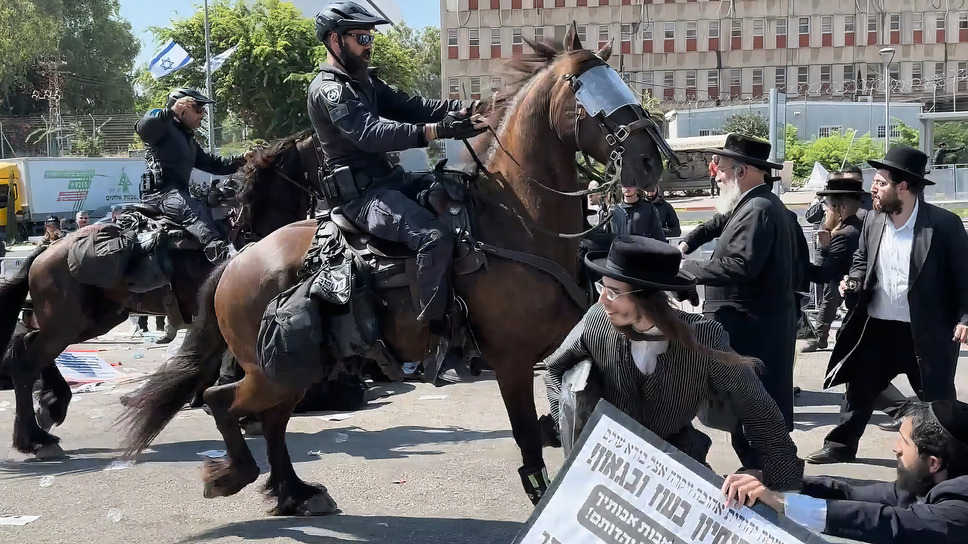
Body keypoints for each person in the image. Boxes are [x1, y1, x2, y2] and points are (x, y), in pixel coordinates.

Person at [309, 1, 487, 376]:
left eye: (370, 37)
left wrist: (467, 107)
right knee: (433, 237)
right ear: (335, 40)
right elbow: (370, 133)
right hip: (363, 198)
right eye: (361, 38)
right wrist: (436, 131)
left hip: (391, 182)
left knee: (463, 193)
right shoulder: (330, 91)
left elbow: (413, 106)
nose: (369, 44)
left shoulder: (364, 81)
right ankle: (436, 339)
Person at [543, 236, 804, 490]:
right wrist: (572, 432)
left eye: (613, 292)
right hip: (610, 465)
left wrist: (780, 482)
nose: (602, 300)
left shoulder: (703, 338)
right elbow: (555, 369)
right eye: (602, 287)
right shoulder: (596, 321)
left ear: (647, 299)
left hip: (678, 471)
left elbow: (757, 407)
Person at [807, 145, 968, 465]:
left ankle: (950, 457)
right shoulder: (873, 220)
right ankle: (840, 445)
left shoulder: (943, 225)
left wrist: (965, 318)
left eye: (880, 183)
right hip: (878, 325)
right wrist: (854, 280)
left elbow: (964, 276)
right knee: (859, 387)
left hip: (926, 331)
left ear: (903, 187)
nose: (873, 189)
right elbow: (861, 259)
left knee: (937, 399)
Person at [677, 133, 802, 472]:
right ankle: (767, 481)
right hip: (752, 331)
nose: (716, 176)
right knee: (747, 425)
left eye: (721, 168)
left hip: (753, 334)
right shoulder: (754, 203)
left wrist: (686, 271)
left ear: (741, 171)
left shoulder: (758, 209)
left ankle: (772, 486)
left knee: (756, 427)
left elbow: (740, 265)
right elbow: (717, 223)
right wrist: (685, 246)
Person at [723, 400, 968, 542]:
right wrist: (777, 484)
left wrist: (782, 504)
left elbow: (888, 522)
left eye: (904, 442)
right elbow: (851, 493)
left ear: (933, 463)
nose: (896, 448)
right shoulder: (932, 479)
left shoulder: (959, 510)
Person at [136, 88, 267, 263]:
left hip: (179, 194)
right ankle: (223, 258)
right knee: (194, 211)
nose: (202, 115)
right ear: (182, 110)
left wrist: (243, 160)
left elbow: (214, 164)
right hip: (160, 195)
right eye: (198, 109)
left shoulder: (188, 140)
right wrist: (170, 111)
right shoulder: (163, 126)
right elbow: (143, 128)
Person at [801, 170, 866, 353]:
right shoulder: (857, 225)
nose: (825, 211)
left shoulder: (844, 234)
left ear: (838, 208)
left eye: (827, 206)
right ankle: (820, 337)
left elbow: (822, 274)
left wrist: (800, 260)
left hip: (847, 283)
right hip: (849, 283)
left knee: (830, 301)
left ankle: (820, 337)